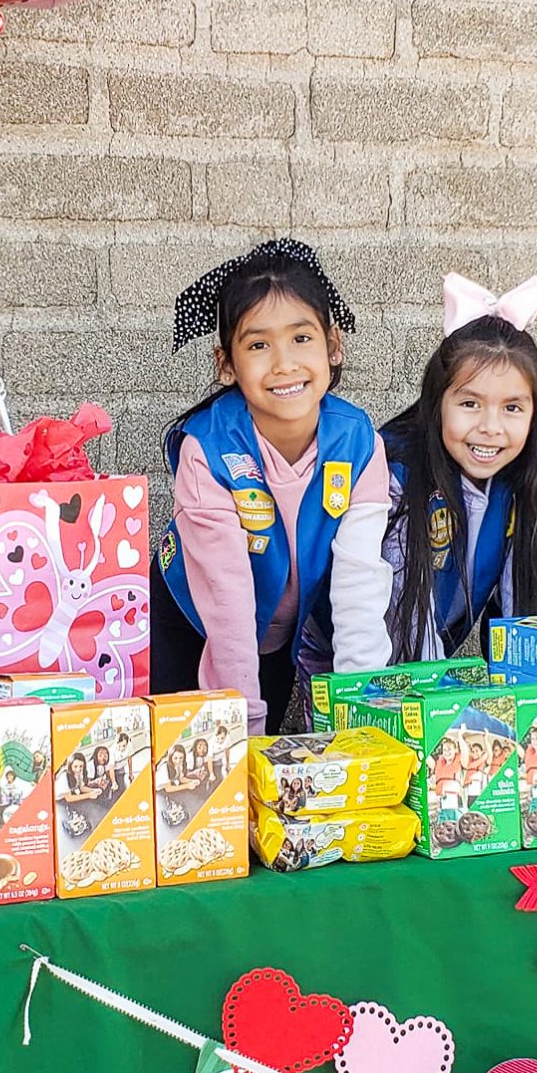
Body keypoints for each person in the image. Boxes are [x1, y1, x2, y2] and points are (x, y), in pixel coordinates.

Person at [153, 239, 391, 732]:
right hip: (188, 631)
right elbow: (227, 606)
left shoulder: (358, 443)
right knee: (201, 773)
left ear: (333, 346)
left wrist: (361, 721)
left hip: (275, 636)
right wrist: (243, 728)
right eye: (259, 344)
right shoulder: (210, 450)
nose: (284, 363)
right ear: (227, 364)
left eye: (301, 339)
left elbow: (360, 589)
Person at [376, 276, 537, 661]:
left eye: (512, 408)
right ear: (436, 401)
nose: (491, 427)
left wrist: (526, 692)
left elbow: (521, 604)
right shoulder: (396, 474)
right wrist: (437, 697)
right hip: (361, 669)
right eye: (470, 404)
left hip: (435, 661)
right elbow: (403, 616)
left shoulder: (530, 478)